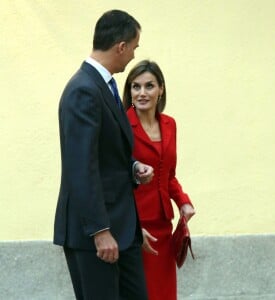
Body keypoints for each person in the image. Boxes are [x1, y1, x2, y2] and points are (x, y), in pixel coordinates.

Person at [53, 10, 154, 300]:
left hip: (123, 229)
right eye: (134, 47)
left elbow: (105, 153)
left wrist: (133, 167)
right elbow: (80, 166)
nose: (134, 55)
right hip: (96, 234)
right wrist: (100, 230)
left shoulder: (103, 86)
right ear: (120, 46)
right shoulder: (83, 90)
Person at [123, 60, 196, 300]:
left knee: (164, 294)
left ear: (161, 89)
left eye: (149, 86)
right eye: (136, 87)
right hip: (136, 226)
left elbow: (168, 174)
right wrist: (131, 226)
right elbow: (116, 178)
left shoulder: (170, 124)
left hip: (163, 225)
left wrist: (183, 201)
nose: (142, 93)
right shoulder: (122, 125)